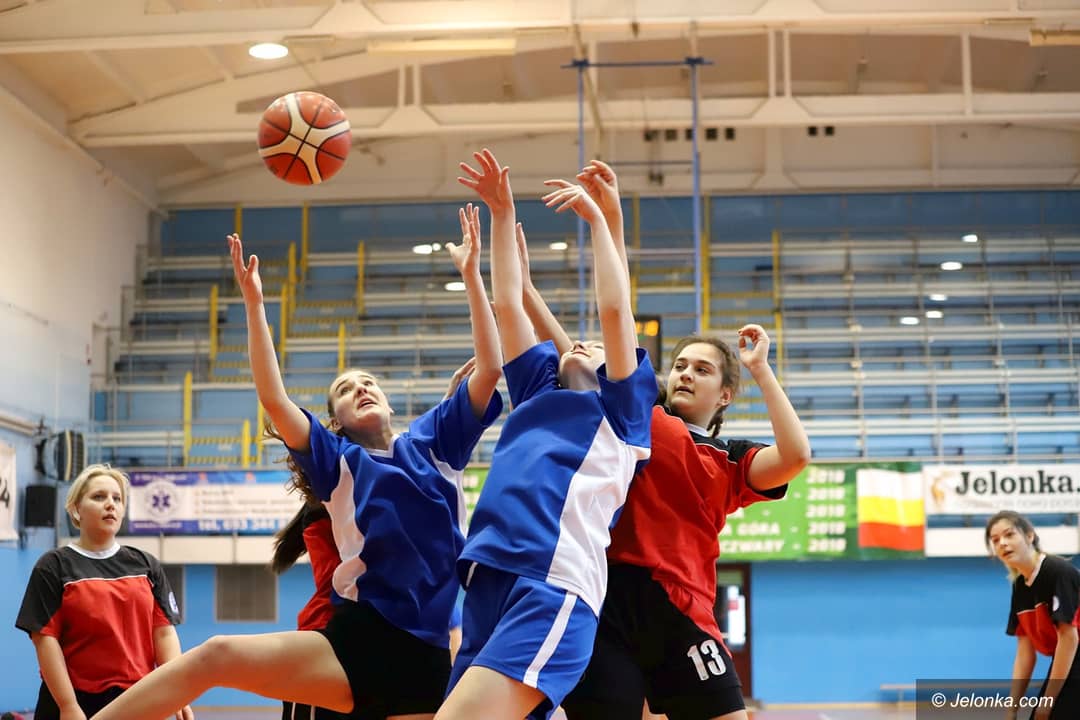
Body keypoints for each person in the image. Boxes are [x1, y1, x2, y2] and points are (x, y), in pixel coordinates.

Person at [89, 209, 503, 720]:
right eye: (346, 389)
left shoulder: (435, 442)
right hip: (361, 641)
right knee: (217, 653)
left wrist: (471, 275)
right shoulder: (340, 462)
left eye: (368, 382)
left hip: (429, 654)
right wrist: (254, 304)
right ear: (337, 420)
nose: (361, 388)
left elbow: (490, 367)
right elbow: (274, 398)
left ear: (388, 400)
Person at [524, 160, 810, 720]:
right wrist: (605, 221)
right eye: (680, 364)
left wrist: (760, 369)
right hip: (606, 599)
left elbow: (796, 456)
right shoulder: (638, 415)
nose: (686, 373)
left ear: (725, 394)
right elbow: (595, 336)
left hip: (683, 609)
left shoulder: (730, 460)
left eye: (703, 370)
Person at [435, 149, 655, 720]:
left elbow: (615, 309)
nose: (579, 343)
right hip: (489, 577)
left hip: (553, 583)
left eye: (595, 346)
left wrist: (601, 221)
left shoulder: (621, 412)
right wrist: (502, 213)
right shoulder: (539, 390)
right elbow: (508, 302)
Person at [15, 464, 192, 720]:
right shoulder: (53, 566)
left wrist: (176, 692)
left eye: (117, 499)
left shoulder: (146, 565)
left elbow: (164, 633)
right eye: (99, 497)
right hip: (74, 702)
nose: (110, 504)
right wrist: (68, 705)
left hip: (137, 701)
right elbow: (45, 640)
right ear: (76, 509)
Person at [986, 510, 1080, 720]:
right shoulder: (1020, 586)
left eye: (1009, 534)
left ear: (1029, 536)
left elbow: (1069, 638)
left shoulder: (1057, 572)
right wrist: (1012, 709)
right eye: (995, 540)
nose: (1002, 543)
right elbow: (1025, 652)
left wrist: (1047, 703)